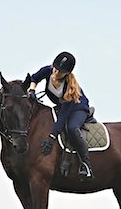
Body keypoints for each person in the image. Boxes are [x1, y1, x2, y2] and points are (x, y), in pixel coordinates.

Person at [28, 52, 94, 180]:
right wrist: (32, 90)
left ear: (67, 73)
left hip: (78, 108)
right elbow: (34, 78)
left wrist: (52, 137)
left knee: (71, 128)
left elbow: (63, 117)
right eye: (56, 68)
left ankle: (86, 164)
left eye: (60, 71)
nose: (56, 72)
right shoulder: (48, 70)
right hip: (61, 107)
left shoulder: (68, 88)